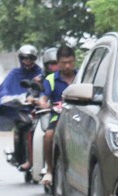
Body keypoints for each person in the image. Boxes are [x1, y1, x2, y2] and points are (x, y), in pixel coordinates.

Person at [0, 45, 43, 170]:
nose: (27, 62)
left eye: (30, 58)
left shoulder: (40, 73)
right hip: (21, 109)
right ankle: (20, 155)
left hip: (39, 108)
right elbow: (5, 92)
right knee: (24, 124)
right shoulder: (14, 74)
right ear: (20, 59)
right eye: (24, 59)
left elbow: (46, 89)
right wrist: (21, 99)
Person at [38, 45, 77, 187]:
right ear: (58, 62)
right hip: (58, 117)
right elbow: (44, 97)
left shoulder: (81, 77)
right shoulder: (51, 79)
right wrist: (43, 103)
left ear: (75, 61)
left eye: (70, 62)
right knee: (48, 135)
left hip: (79, 118)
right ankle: (49, 170)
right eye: (63, 63)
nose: (67, 66)